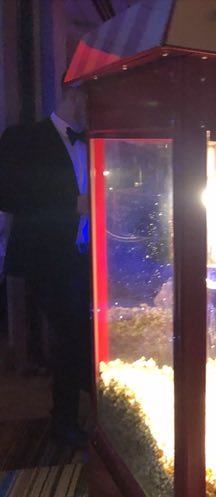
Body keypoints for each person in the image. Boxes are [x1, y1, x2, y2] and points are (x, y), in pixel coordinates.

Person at [0, 78, 92, 448]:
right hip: (47, 255)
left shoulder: (93, 141)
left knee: (86, 333)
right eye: (93, 100)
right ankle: (64, 422)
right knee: (70, 336)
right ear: (75, 96)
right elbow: (7, 194)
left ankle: (88, 410)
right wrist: (70, 206)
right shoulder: (23, 137)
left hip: (88, 254)